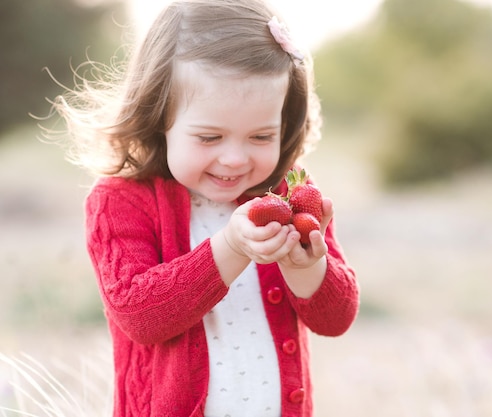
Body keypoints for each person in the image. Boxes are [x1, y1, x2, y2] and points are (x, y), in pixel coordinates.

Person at [48, 0, 359, 416]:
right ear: (160, 117)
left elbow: (335, 319)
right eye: (210, 137)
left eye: (261, 136)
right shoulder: (121, 200)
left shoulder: (287, 193)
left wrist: (304, 266)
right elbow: (140, 315)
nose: (235, 159)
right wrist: (232, 246)